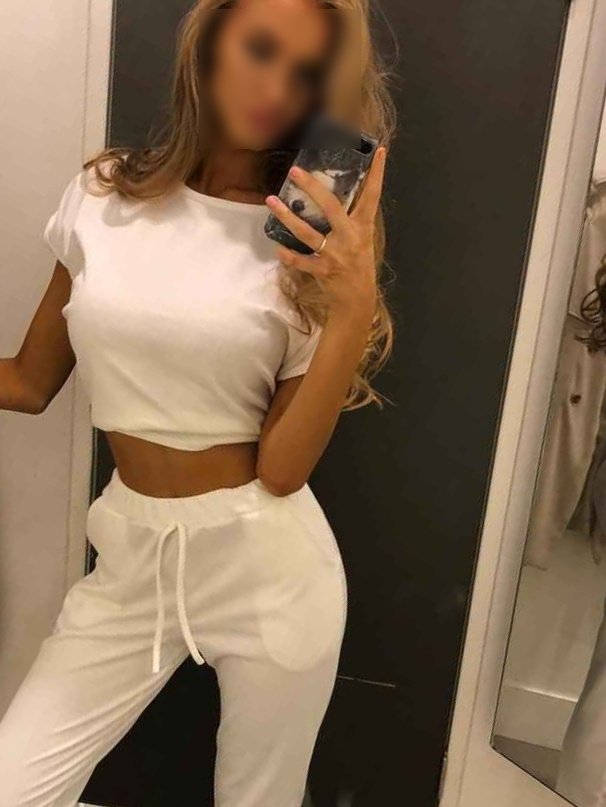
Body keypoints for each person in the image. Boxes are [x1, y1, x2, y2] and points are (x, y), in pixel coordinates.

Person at [0, 0, 395, 804]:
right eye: (260, 49)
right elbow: (31, 381)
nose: (275, 88)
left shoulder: (310, 245)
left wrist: (352, 306)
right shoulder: (103, 194)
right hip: (132, 554)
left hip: (269, 569)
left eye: (305, 73)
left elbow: (282, 470)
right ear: (210, 44)